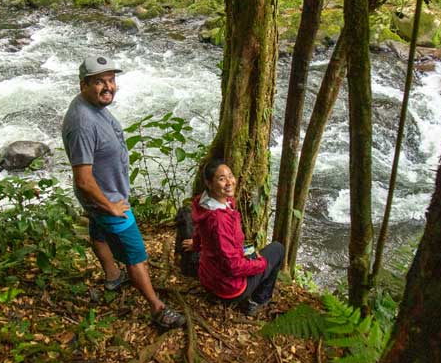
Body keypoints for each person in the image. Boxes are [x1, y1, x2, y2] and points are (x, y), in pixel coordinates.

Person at [62, 55, 186, 329]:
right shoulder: (83, 123)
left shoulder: (90, 105)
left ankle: (112, 276)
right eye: (99, 82)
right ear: (84, 84)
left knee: (98, 232)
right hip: (107, 200)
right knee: (137, 256)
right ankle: (157, 309)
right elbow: (83, 179)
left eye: (111, 80)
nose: (108, 87)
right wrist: (110, 205)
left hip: (102, 198)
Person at [183, 159, 285, 316]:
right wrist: (261, 264)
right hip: (229, 288)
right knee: (277, 249)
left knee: (251, 252)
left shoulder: (204, 203)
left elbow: (200, 229)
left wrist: (196, 244)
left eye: (230, 175)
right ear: (209, 184)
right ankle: (257, 300)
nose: (229, 182)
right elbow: (233, 266)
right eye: (221, 179)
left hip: (208, 277)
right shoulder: (219, 220)